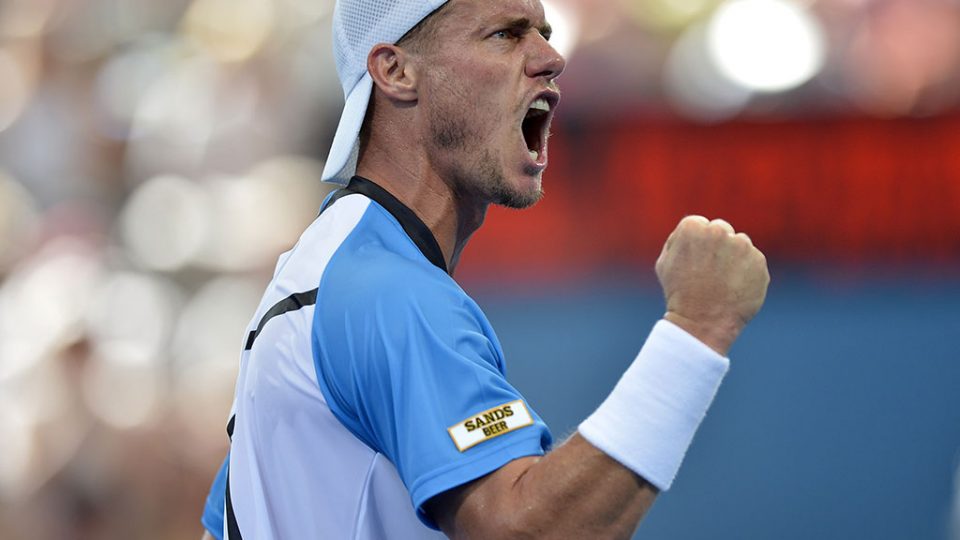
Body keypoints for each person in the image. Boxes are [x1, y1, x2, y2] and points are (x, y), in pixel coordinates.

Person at [200, 0, 770, 537]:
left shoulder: (325, 270)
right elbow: (527, 529)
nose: (551, 57)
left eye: (543, 32)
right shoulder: (389, 295)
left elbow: (219, 526)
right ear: (396, 71)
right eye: (505, 34)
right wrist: (697, 327)